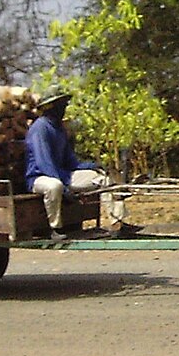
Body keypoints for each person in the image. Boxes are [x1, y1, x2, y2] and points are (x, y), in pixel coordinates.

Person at [25, 86, 125, 240]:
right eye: (62, 105)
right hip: (39, 177)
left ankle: (117, 222)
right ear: (51, 107)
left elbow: (70, 161)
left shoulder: (59, 129)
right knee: (54, 186)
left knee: (102, 178)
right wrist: (65, 188)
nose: (65, 108)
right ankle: (55, 229)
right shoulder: (40, 128)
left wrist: (93, 166)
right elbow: (44, 163)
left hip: (62, 175)